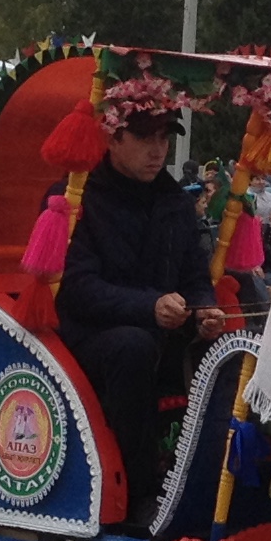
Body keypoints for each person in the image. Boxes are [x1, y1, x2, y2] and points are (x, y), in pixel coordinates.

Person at [55, 87, 229, 507]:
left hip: (163, 331)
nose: (158, 150)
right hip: (91, 337)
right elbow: (76, 288)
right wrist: (148, 307)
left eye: (164, 139)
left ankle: (211, 482)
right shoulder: (81, 197)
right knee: (132, 347)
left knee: (229, 349)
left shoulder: (174, 201)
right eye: (145, 138)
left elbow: (193, 273)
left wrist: (204, 305)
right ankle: (139, 494)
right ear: (114, 138)